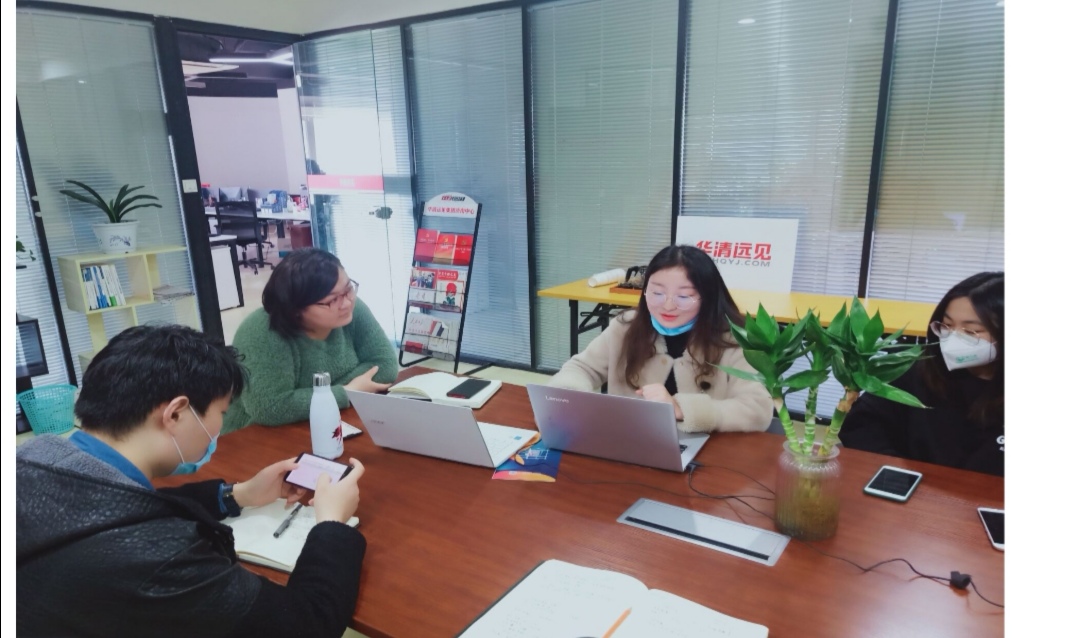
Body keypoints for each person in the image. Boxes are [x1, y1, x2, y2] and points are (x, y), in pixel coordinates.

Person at [16, 325, 366, 637]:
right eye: (221, 413)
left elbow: (119, 507)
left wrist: (237, 494)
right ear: (176, 414)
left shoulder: (30, 460)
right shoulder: (162, 559)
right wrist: (332, 524)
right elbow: (307, 625)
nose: (218, 428)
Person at [548, 245, 773, 433]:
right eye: (656, 293)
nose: (667, 305)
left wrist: (682, 408)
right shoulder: (626, 326)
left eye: (683, 296)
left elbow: (757, 410)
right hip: (630, 441)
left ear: (708, 297)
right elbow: (581, 368)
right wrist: (568, 398)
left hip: (707, 453)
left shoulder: (734, 339)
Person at [840, 272, 1004, 476]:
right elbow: (862, 424)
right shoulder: (923, 367)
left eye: (971, 331)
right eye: (947, 325)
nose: (953, 338)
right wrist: (895, 471)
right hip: (916, 488)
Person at [224, 248, 399, 433]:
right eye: (331, 300)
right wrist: (346, 392)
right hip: (259, 435)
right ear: (295, 308)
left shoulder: (351, 309)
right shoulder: (261, 332)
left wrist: (315, 397)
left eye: (348, 288)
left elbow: (385, 364)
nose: (347, 302)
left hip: (336, 422)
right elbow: (270, 407)